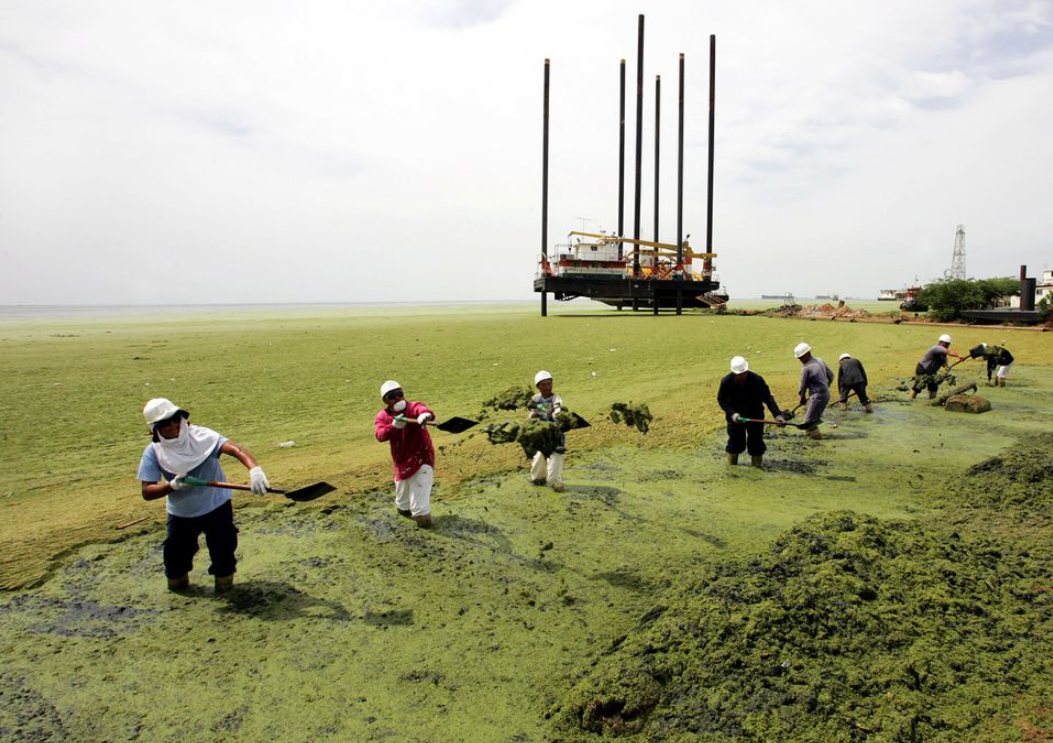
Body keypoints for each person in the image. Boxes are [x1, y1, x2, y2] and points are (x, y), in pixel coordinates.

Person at [137, 398, 271, 593]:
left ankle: (226, 591)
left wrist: (255, 470)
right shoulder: (154, 452)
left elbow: (235, 449)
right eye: (165, 423)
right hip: (181, 515)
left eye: (176, 418)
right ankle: (178, 591)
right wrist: (172, 486)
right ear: (154, 429)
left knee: (223, 556)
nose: (173, 425)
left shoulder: (203, 437)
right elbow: (147, 492)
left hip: (217, 508)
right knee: (175, 561)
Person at [375, 380, 435, 528]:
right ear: (385, 400)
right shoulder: (383, 416)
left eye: (399, 394)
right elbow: (380, 435)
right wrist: (394, 427)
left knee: (419, 510)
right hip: (401, 463)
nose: (397, 398)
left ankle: (426, 527)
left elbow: (424, 410)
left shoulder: (413, 407)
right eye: (392, 396)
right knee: (402, 505)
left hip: (421, 460)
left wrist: (425, 416)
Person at [717, 356, 786, 468]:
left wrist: (777, 415)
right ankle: (731, 467)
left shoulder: (757, 380)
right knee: (735, 443)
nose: (742, 376)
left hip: (755, 415)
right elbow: (721, 400)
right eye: (739, 374)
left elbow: (768, 398)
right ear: (734, 373)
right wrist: (732, 414)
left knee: (756, 444)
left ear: (747, 370)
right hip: (736, 418)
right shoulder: (726, 382)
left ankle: (757, 467)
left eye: (744, 373)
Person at [527, 370, 565, 492]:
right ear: (538, 386)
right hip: (541, 438)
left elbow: (556, 412)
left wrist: (539, 410)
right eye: (543, 384)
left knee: (553, 475)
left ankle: (558, 487)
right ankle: (539, 485)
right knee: (537, 469)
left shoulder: (556, 398)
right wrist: (537, 411)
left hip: (556, 439)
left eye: (548, 384)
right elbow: (531, 416)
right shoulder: (535, 398)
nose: (546, 387)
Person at [795, 342, 834, 439]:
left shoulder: (806, 368)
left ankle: (817, 441)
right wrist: (825, 386)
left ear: (807, 354)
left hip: (817, 396)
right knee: (811, 418)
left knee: (809, 421)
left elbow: (802, 386)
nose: (800, 360)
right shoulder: (819, 360)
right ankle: (809, 437)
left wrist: (802, 398)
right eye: (799, 358)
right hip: (826, 394)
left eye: (801, 357)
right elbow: (831, 376)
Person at [910, 334, 962, 400]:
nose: (948, 346)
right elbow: (949, 352)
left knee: (933, 386)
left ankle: (932, 400)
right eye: (947, 344)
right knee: (919, 385)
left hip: (932, 372)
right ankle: (911, 399)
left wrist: (946, 366)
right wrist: (958, 355)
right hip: (922, 369)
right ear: (942, 343)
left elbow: (943, 362)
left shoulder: (942, 354)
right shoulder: (936, 348)